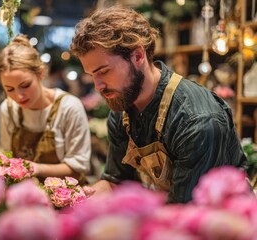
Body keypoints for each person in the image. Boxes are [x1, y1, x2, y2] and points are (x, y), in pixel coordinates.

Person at [70, 6, 248, 203]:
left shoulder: (194, 119)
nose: (98, 86)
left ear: (138, 56)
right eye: (92, 75)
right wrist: (80, 201)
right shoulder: (122, 106)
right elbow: (116, 181)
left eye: (103, 71)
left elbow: (186, 209)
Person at [0, 34, 91, 182]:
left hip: (66, 198)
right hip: (25, 195)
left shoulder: (68, 107)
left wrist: (36, 168)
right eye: (10, 89)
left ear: (41, 73)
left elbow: (77, 169)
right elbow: (8, 156)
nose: (19, 96)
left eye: (25, 86)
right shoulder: (8, 109)